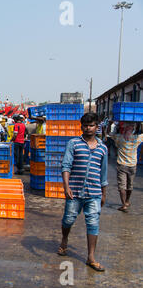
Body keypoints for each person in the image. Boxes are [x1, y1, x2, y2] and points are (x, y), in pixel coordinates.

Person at [58, 113, 108, 272]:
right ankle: (65, 239)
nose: (88, 128)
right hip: (75, 192)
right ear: (81, 126)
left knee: (93, 223)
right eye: (85, 125)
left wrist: (103, 194)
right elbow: (66, 166)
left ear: (96, 127)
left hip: (94, 193)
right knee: (68, 219)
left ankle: (91, 257)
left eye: (91, 125)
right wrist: (66, 187)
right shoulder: (73, 144)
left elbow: (104, 174)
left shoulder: (103, 148)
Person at [109, 122, 143, 212]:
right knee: (130, 185)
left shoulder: (119, 138)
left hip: (122, 165)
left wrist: (111, 124)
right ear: (133, 129)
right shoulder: (136, 138)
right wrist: (140, 123)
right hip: (132, 165)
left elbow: (109, 134)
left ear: (124, 129)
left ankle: (124, 204)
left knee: (122, 186)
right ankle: (127, 201)